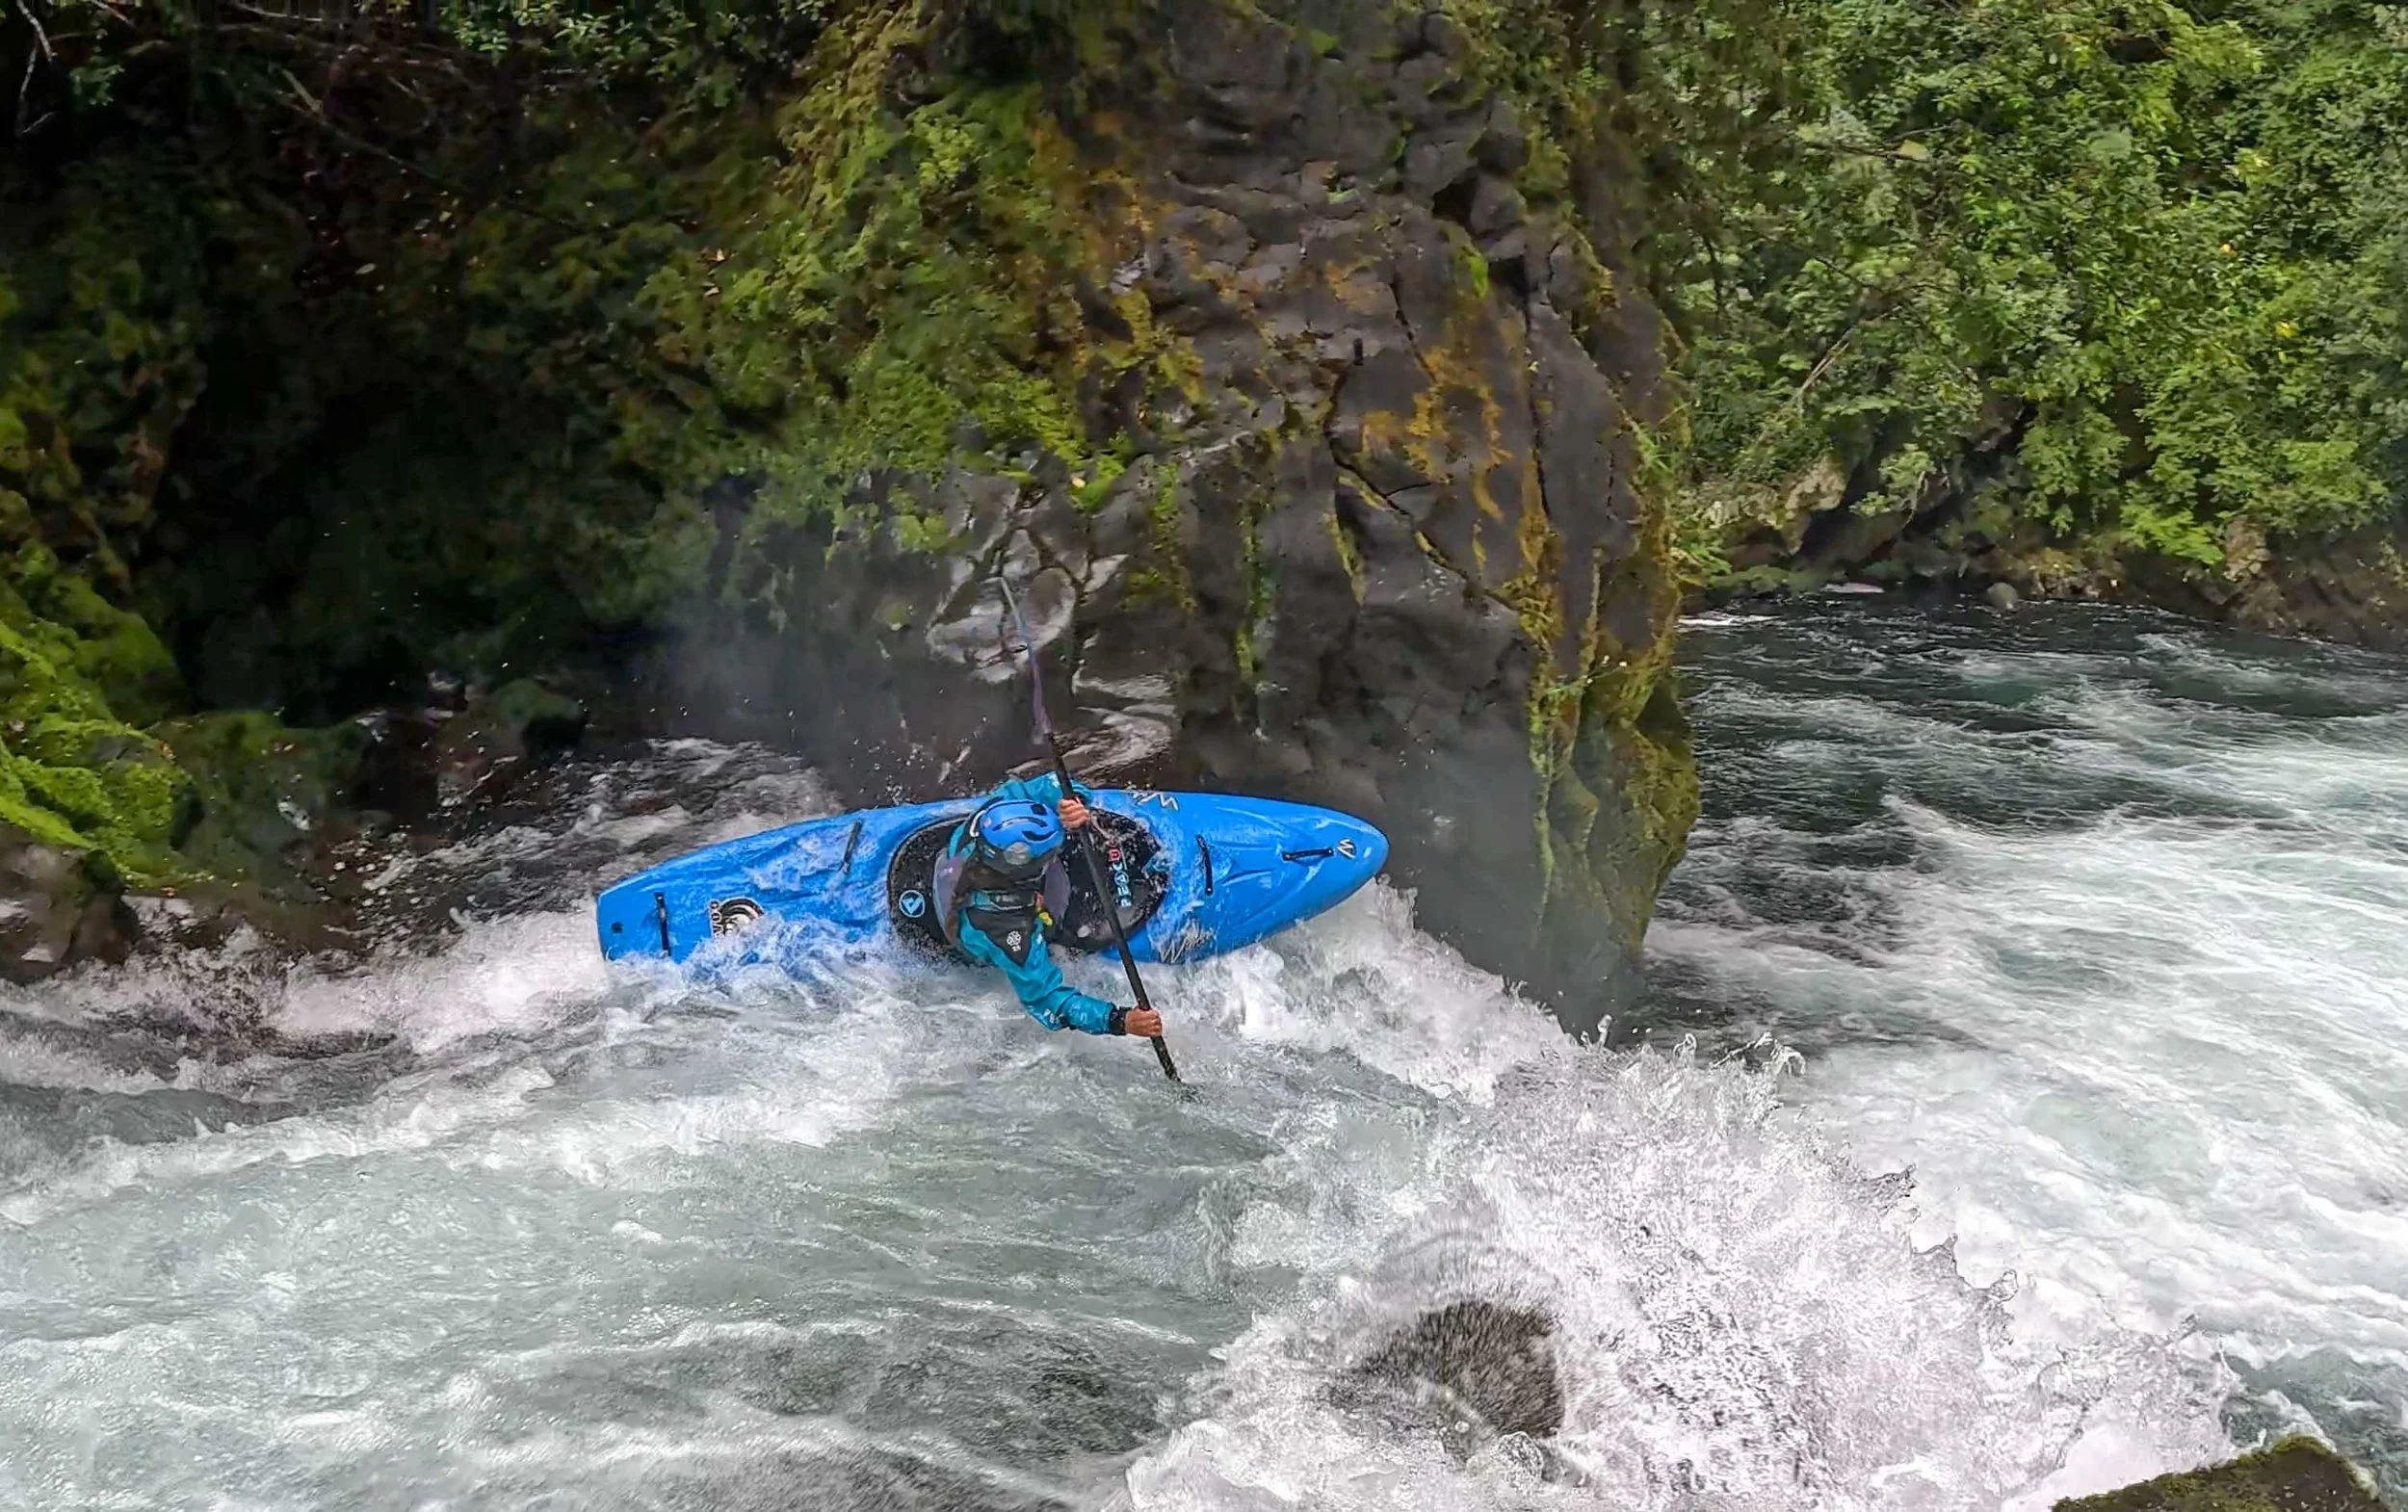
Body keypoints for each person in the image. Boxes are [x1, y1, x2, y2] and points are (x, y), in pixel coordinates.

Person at [933, 772, 1165, 1040]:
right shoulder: (1009, 933)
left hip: (971, 878)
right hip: (981, 930)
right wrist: (1120, 1021)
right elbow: (1047, 1001)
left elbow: (1040, 786)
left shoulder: (994, 814)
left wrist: (1071, 802)